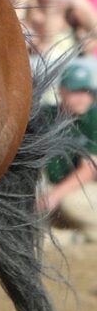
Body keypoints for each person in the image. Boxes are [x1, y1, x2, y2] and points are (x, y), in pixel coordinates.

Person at [40, 60, 97, 242]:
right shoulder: (46, 116)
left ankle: (81, 235)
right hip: (55, 186)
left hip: (85, 189)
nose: (82, 97)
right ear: (61, 90)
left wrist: (53, 196)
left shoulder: (93, 118)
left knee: (70, 203)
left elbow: (89, 169)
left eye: (86, 91)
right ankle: (72, 235)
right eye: (76, 91)